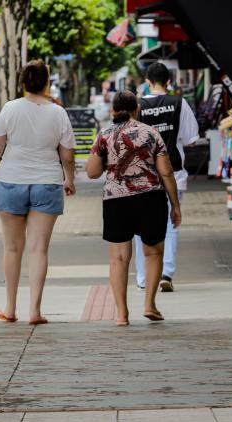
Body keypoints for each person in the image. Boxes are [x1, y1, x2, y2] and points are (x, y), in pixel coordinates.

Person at [0, 60, 76, 326]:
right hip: (47, 182)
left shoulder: (10, 109)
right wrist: (70, 179)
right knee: (38, 249)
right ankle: (35, 310)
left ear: (23, 83)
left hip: (11, 181)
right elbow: (67, 154)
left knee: (12, 248)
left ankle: (10, 308)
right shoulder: (58, 113)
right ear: (47, 82)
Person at [85, 91, 182, 326]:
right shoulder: (150, 133)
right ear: (136, 108)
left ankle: (121, 314)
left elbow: (92, 172)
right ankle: (149, 304)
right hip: (150, 198)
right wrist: (175, 204)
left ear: (113, 110)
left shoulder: (104, 134)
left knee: (118, 258)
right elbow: (166, 172)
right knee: (153, 252)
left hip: (116, 200)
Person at [133, 62, 199, 293]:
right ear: (169, 81)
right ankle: (166, 273)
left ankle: (143, 277)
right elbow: (191, 139)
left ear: (147, 81)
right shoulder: (179, 103)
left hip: (144, 174)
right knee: (172, 223)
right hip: (174, 172)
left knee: (141, 226)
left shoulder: (138, 106)